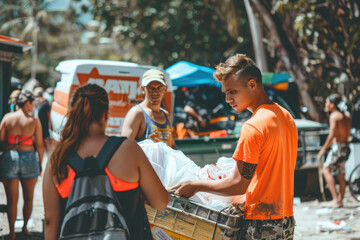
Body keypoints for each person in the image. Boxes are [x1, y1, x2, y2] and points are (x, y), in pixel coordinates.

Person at [169, 54, 298, 239]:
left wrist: (196, 186)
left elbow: (238, 185)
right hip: (285, 218)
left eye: (232, 91)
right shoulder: (285, 116)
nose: (228, 99)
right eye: (225, 93)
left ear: (252, 84)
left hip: (262, 222)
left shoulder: (253, 126)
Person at [43, 84, 169, 239]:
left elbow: (50, 220)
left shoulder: (58, 158)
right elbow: (161, 202)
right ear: (106, 114)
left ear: (74, 112)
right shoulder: (128, 149)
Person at [0, 90, 44, 239]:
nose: (33, 107)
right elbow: (40, 144)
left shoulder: (8, 118)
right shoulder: (34, 121)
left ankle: (12, 233)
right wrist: (40, 162)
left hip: (10, 157)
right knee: (29, 198)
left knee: (12, 200)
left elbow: (1, 138)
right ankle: (25, 228)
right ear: (27, 103)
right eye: (32, 103)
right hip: (29, 157)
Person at [121, 69, 177, 149]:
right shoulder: (137, 113)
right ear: (143, 89)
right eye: (151, 88)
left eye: (159, 88)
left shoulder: (166, 115)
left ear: (165, 89)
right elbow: (124, 147)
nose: (155, 92)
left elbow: (172, 145)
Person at [319, 93, 351, 208]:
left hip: (338, 148)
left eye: (327, 102)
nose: (326, 105)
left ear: (332, 105)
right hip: (346, 147)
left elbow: (332, 134)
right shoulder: (347, 116)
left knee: (325, 170)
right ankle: (340, 201)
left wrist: (323, 149)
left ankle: (335, 200)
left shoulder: (334, 116)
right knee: (341, 175)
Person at [33, 87, 53, 155]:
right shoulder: (42, 104)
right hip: (42, 126)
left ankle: (50, 159)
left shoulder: (45, 104)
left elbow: (49, 117)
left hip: (44, 127)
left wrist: (50, 128)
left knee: (47, 143)